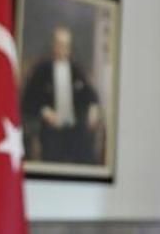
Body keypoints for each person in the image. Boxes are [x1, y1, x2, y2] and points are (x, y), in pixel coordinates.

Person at [20, 25, 102, 164]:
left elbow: (91, 95)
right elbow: (28, 99)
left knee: (87, 156)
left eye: (66, 45)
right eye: (60, 44)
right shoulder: (41, 70)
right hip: (51, 129)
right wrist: (45, 112)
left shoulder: (76, 70)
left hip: (75, 130)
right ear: (54, 45)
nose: (63, 49)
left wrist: (94, 108)